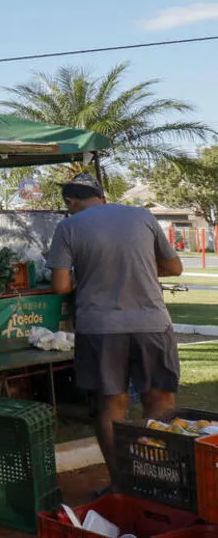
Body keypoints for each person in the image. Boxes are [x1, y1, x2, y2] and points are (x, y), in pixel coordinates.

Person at [48, 172, 183, 494]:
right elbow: (174, 267)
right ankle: (162, 482)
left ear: (72, 201)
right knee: (161, 401)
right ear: (103, 196)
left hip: (101, 328)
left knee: (111, 406)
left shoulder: (68, 226)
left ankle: (121, 485)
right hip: (152, 323)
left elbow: (61, 286)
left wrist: (89, 276)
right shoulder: (142, 215)